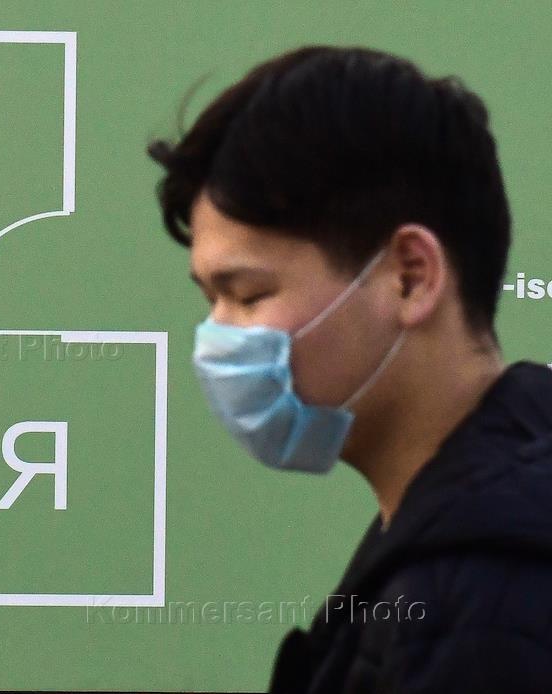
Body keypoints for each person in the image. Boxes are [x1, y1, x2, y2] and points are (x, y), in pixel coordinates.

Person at [146, 45, 552, 692]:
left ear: (410, 276)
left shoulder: (483, 602)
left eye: (249, 294)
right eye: (210, 301)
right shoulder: (454, 547)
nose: (218, 338)